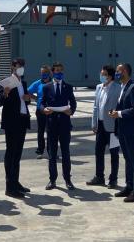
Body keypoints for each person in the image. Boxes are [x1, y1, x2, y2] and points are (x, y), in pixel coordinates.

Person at [0, 58, 32, 198]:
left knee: (17, 154)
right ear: (12, 67)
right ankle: (9, 186)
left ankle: (15, 182)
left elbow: (24, 101)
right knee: (11, 153)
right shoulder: (5, 82)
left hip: (22, 120)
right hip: (11, 122)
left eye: (22, 66)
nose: (21, 68)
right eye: (18, 66)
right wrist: (5, 93)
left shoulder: (23, 82)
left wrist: (28, 98)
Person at [110, 62, 134, 202]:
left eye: (118, 71)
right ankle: (129, 187)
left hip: (131, 130)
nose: (116, 74)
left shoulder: (133, 88)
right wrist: (115, 113)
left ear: (124, 71)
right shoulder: (123, 87)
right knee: (127, 159)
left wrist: (119, 113)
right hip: (123, 130)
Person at [41, 62, 77, 190]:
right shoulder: (47, 87)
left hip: (64, 123)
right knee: (52, 154)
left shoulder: (68, 87)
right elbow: (41, 103)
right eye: (57, 71)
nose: (59, 73)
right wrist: (43, 109)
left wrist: (71, 111)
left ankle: (68, 179)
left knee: (66, 152)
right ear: (53, 72)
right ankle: (52, 180)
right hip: (51, 124)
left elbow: (73, 102)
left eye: (61, 70)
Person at [87, 64, 122, 189]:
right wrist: (94, 123)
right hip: (100, 125)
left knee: (114, 153)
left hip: (112, 126)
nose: (101, 76)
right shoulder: (98, 87)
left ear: (110, 77)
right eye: (101, 74)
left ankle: (113, 179)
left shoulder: (118, 88)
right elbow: (96, 106)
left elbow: (120, 106)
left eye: (104, 74)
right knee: (98, 152)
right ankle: (99, 176)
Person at [27, 65, 52, 159]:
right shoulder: (37, 83)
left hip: (51, 110)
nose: (44, 74)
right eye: (42, 73)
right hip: (40, 110)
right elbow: (28, 92)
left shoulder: (53, 83)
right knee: (41, 131)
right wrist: (35, 98)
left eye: (45, 72)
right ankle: (40, 150)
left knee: (51, 131)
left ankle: (51, 151)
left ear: (49, 73)